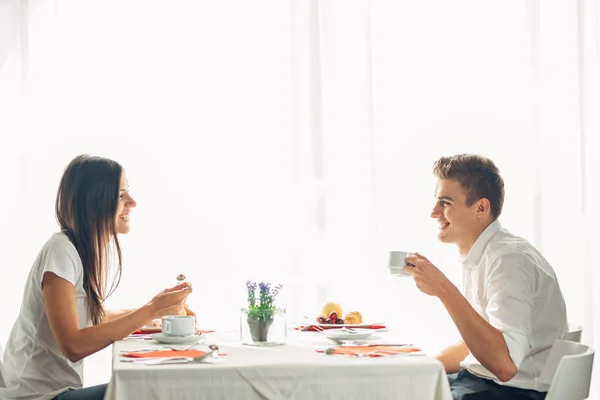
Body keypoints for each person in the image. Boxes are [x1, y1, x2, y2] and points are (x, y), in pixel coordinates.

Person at [0, 155, 195, 400]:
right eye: (121, 195)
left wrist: (159, 310)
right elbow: (73, 345)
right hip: (35, 397)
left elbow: (95, 317)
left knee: (157, 386)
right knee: (151, 390)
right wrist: (151, 310)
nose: (132, 202)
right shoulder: (60, 251)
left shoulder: (79, 251)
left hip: (57, 392)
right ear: (95, 201)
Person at [405, 154, 567, 400]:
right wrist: (423, 365)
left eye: (445, 203)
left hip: (512, 392)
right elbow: (481, 347)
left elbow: (504, 365)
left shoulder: (509, 260)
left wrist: (443, 289)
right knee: (403, 386)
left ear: (481, 207)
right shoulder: (484, 255)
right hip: (485, 383)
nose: (433, 212)